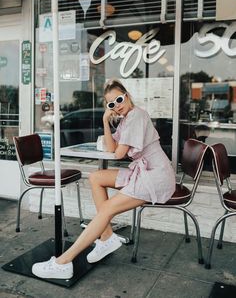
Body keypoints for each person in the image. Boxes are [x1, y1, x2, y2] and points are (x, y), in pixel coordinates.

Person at [32, 78, 176, 279]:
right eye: (111, 104)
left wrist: (113, 132)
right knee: (96, 177)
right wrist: (105, 121)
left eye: (119, 99)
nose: (117, 106)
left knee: (107, 209)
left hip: (155, 175)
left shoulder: (137, 116)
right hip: (144, 172)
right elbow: (111, 148)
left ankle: (64, 262)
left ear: (126, 95)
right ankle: (107, 236)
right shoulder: (126, 120)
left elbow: (118, 155)